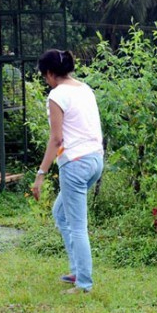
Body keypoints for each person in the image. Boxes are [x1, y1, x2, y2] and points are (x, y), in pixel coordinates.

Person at [32, 49, 104, 294]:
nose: (46, 81)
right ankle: (76, 270)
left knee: (77, 226)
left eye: (45, 76)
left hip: (74, 163)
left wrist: (40, 174)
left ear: (51, 74)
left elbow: (56, 139)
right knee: (61, 213)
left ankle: (84, 284)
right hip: (95, 160)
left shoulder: (57, 95)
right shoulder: (84, 89)